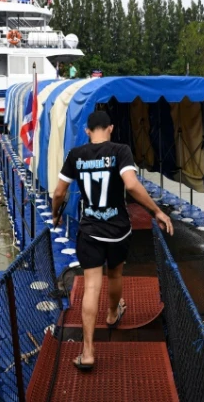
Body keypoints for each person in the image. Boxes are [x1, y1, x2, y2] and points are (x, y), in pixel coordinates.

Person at [51, 111, 173, 371]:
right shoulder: (121, 150)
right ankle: (112, 314)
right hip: (118, 229)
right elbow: (131, 185)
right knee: (115, 275)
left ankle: (87, 352)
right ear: (111, 128)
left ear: (87, 131)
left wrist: (55, 214)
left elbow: (59, 192)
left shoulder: (76, 155)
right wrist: (157, 211)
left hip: (90, 231)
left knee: (92, 286)